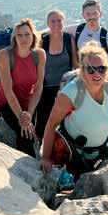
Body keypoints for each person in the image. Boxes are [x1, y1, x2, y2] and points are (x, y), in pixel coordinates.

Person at [40, 41, 108, 179]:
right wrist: (45, 157)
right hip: (74, 153)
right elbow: (51, 124)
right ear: (82, 70)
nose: (97, 74)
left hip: (103, 148)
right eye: (91, 69)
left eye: (102, 69)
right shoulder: (72, 90)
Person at [0, 18, 46, 157]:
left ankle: (27, 165)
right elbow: (8, 91)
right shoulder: (5, 55)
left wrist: (29, 113)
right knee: (24, 132)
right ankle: (27, 167)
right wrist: (21, 117)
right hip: (6, 102)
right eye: (19, 35)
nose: (23, 38)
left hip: (27, 101)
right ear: (14, 38)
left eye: (27, 34)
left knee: (30, 132)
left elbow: (38, 86)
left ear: (33, 36)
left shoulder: (39, 55)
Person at [35, 10, 79, 140]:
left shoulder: (68, 39)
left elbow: (75, 63)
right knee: (43, 121)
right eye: (53, 21)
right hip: (46, 88)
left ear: (64, 22)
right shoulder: (43, 40)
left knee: (65, 121)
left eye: (59, 20)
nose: (56, 24)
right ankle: (42, 146)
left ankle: (64, 145)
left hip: (65, 88)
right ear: (48, 23)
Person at [63, 0, 108, 83]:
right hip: (82, 80)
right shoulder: (77, 30)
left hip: (101, 81)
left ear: (100, 14)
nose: (91, 17)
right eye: (88, 14)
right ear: (83, 15)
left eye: (95, 13)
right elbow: (56, 29)